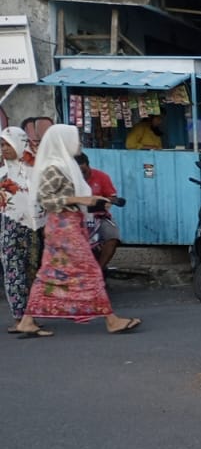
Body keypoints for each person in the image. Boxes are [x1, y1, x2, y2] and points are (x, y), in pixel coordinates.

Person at [13, 124, 141, 337]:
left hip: (71, 222)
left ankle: (27, 321)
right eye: (75, 139)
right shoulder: (53, 166)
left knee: (50, 272)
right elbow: (46, 200)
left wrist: (96, 203)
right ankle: (111, 320)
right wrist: (80, 199)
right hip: (63, 227)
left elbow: (71, 199)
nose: (79, 143)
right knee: (90, 269)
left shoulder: (66, 165)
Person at [0, 126, 44, 334]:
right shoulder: (2, 172)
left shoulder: (35, 170)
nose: (4, 149)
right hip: (9, 227)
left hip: (35, 228)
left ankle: (31, 316)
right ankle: (19, 317)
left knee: (32, 271)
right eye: (1, 145)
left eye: (7, 144)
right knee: (12, 272)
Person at [75, 153, 121, 269]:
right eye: (78, 172)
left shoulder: (102, 177)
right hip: (76, 217)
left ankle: (99, 270)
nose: (82, 175)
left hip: (99, 217)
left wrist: (105, 202)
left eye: (84, 172)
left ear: (88, 166)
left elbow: (112, 197)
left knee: (112, 236)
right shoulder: (70, 180)